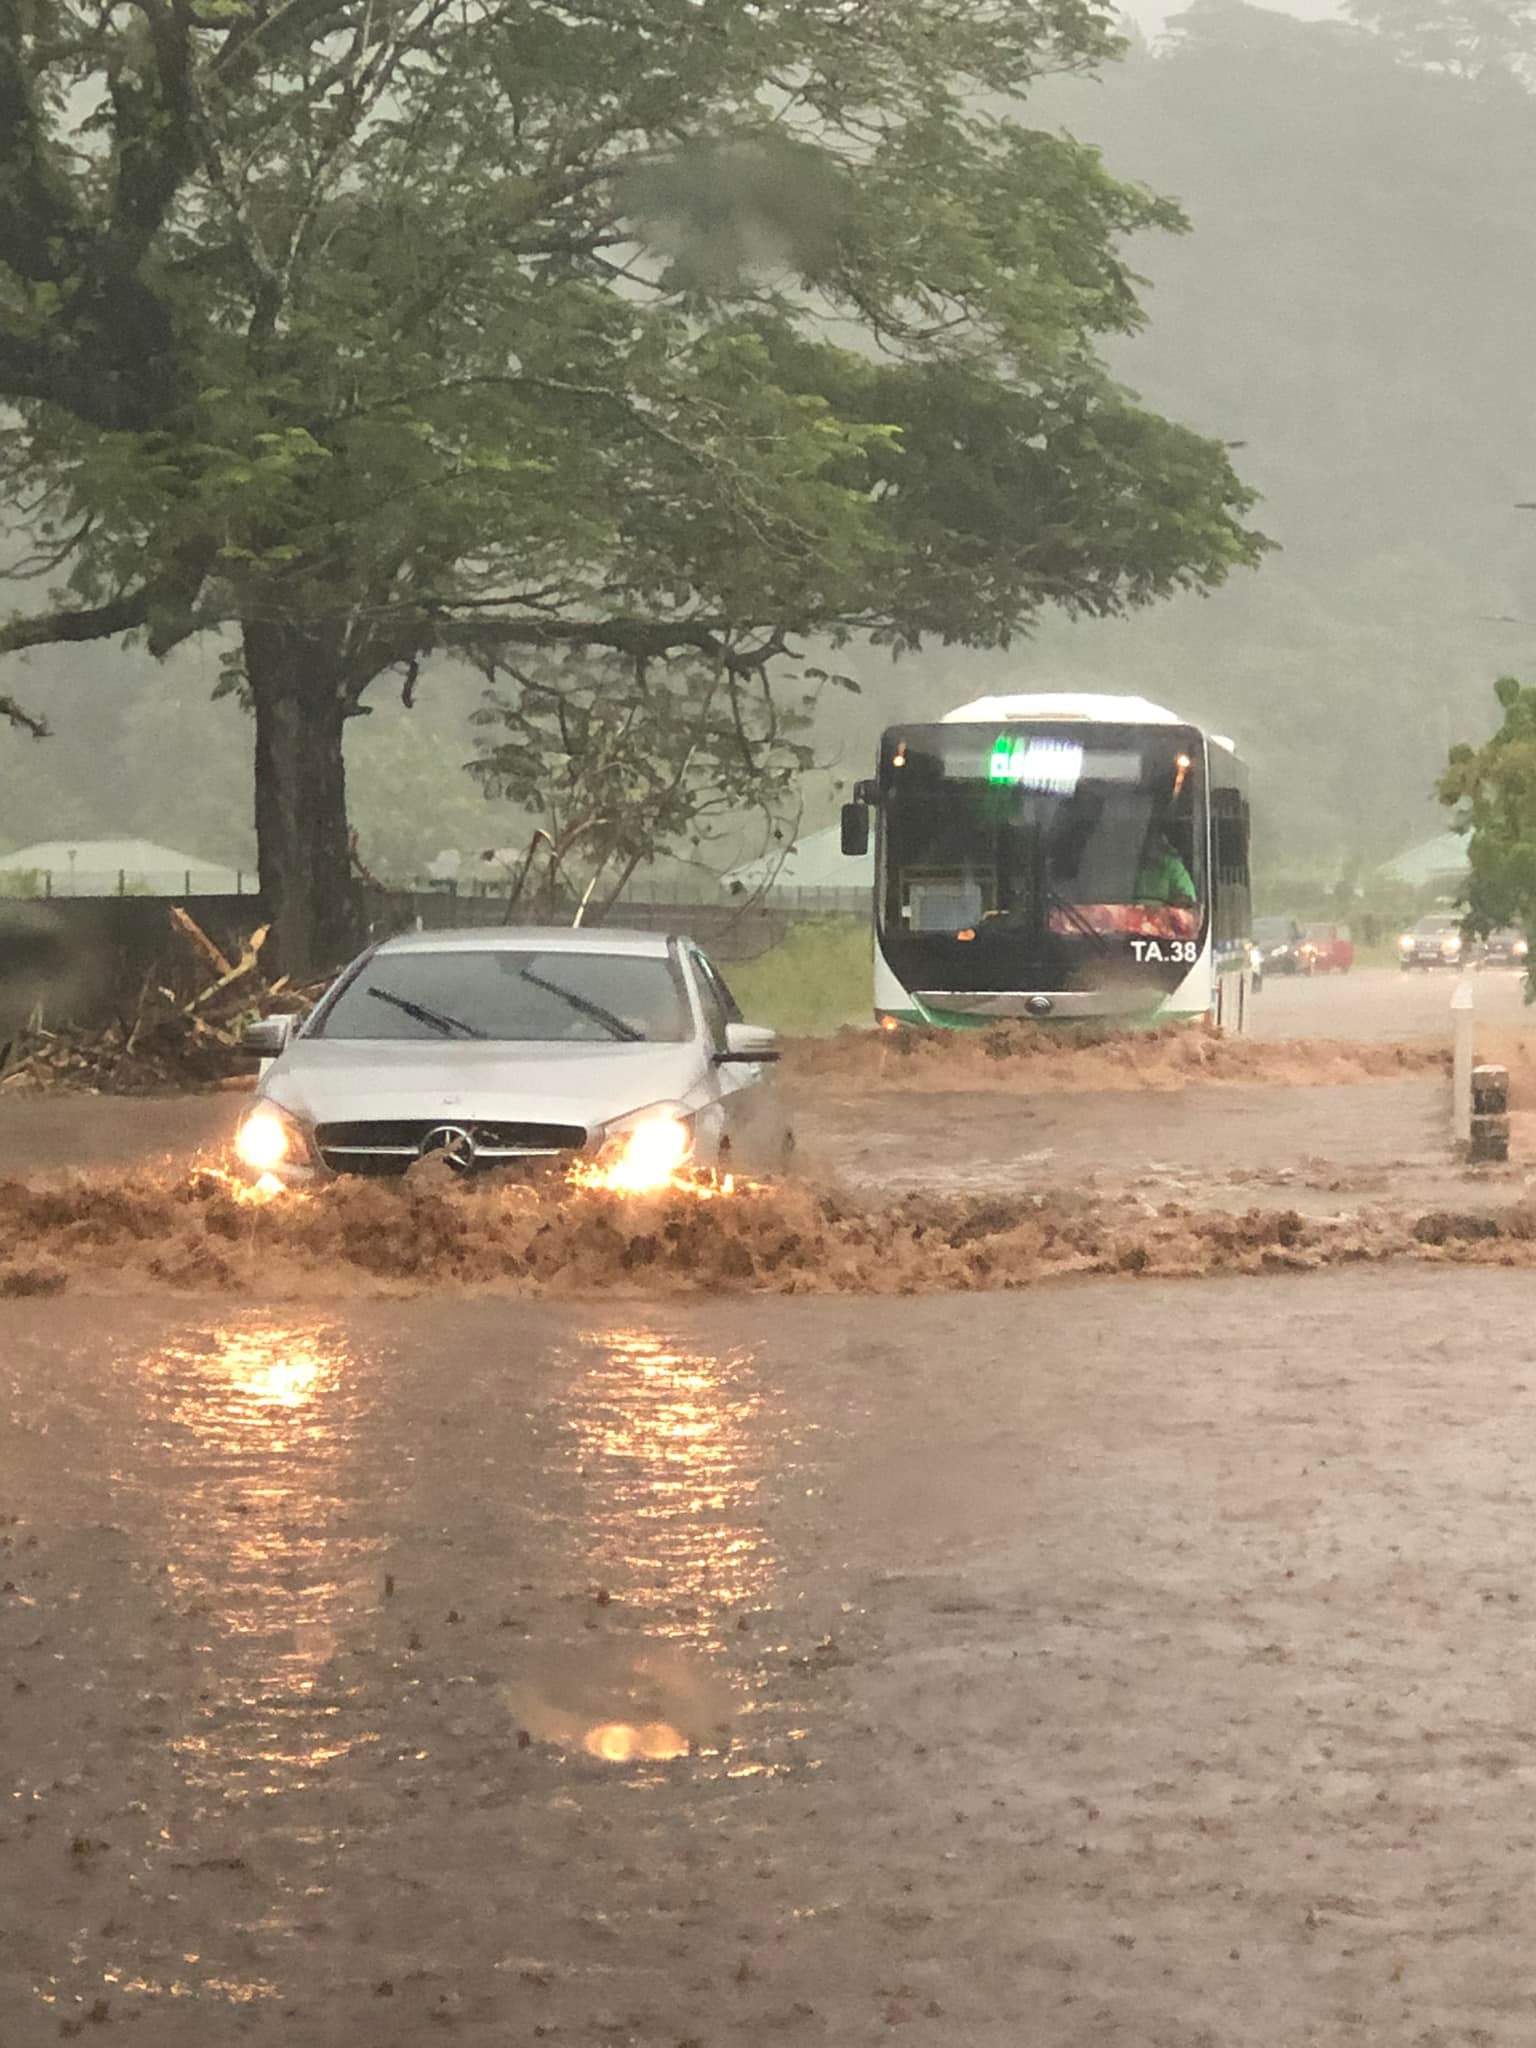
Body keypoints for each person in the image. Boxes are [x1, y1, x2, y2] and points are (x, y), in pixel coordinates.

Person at [1134, 830, 1196, 908]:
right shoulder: (1138, 869)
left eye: (1152, 844)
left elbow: (1188, 901)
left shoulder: (1174, 868)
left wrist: (1167, 907)